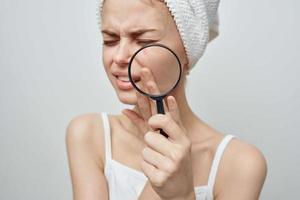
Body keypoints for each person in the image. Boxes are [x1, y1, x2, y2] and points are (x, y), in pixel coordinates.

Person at [65, 0, 267, 199]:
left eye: (144, 41)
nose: (119, 56)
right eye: (110, 40)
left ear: (188, 51)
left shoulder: (240, 164)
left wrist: (181, 195)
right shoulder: (89, 134)